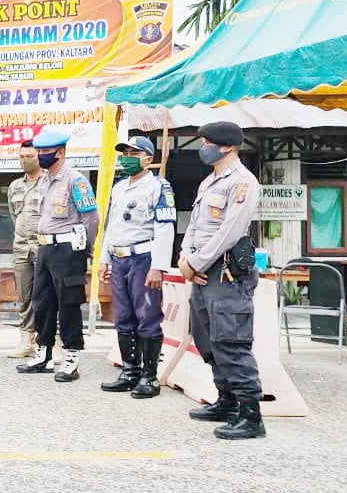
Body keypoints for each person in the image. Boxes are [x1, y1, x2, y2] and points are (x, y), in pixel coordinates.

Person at [179, 121, 266, 440]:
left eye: (207, 142)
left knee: (231, 341)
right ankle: (226, 400)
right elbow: (194, 224)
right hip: (201, 272)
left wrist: (197, 261)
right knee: (208, 338)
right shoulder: (209, 182)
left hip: (225, 273)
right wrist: (184, 257)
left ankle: (250, 415)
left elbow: (230, 230)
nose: (203, 147)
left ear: (227, 146)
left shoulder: (242, 182)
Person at [16, 127, 98, 382]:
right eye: (38, 152)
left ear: (60, 153)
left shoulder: (76, 180)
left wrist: (86, 248)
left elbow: (91, 218)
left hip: (67, 248)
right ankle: (44, 353)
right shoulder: (43, 179)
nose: (40, 156)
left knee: (69, 305)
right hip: (45, 248)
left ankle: (71, 357)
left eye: (45, 152)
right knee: (42, 303)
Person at [100, 136, 175, 398]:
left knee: (148, 317)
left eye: (134, 153)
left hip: (143, 258)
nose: (127, 157)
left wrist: (159, 266)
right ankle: (129, 371)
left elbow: (165, 228)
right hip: (119, 259)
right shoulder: (119, 188)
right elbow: (112, 226)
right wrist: (104, 259)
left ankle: (149, 376)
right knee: (123, 317)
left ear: (148, 159)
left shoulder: (158, 187)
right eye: (125, 152)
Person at [6, 141, 43, 358]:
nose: (24, 160)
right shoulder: (15, 186)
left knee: (47, 296)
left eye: (29, 155)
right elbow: (14, 216)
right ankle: (26, 340)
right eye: (21, 156)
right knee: (24, 296)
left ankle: (50, 340)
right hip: (21, 249)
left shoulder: (48, 181)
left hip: (44, 248)